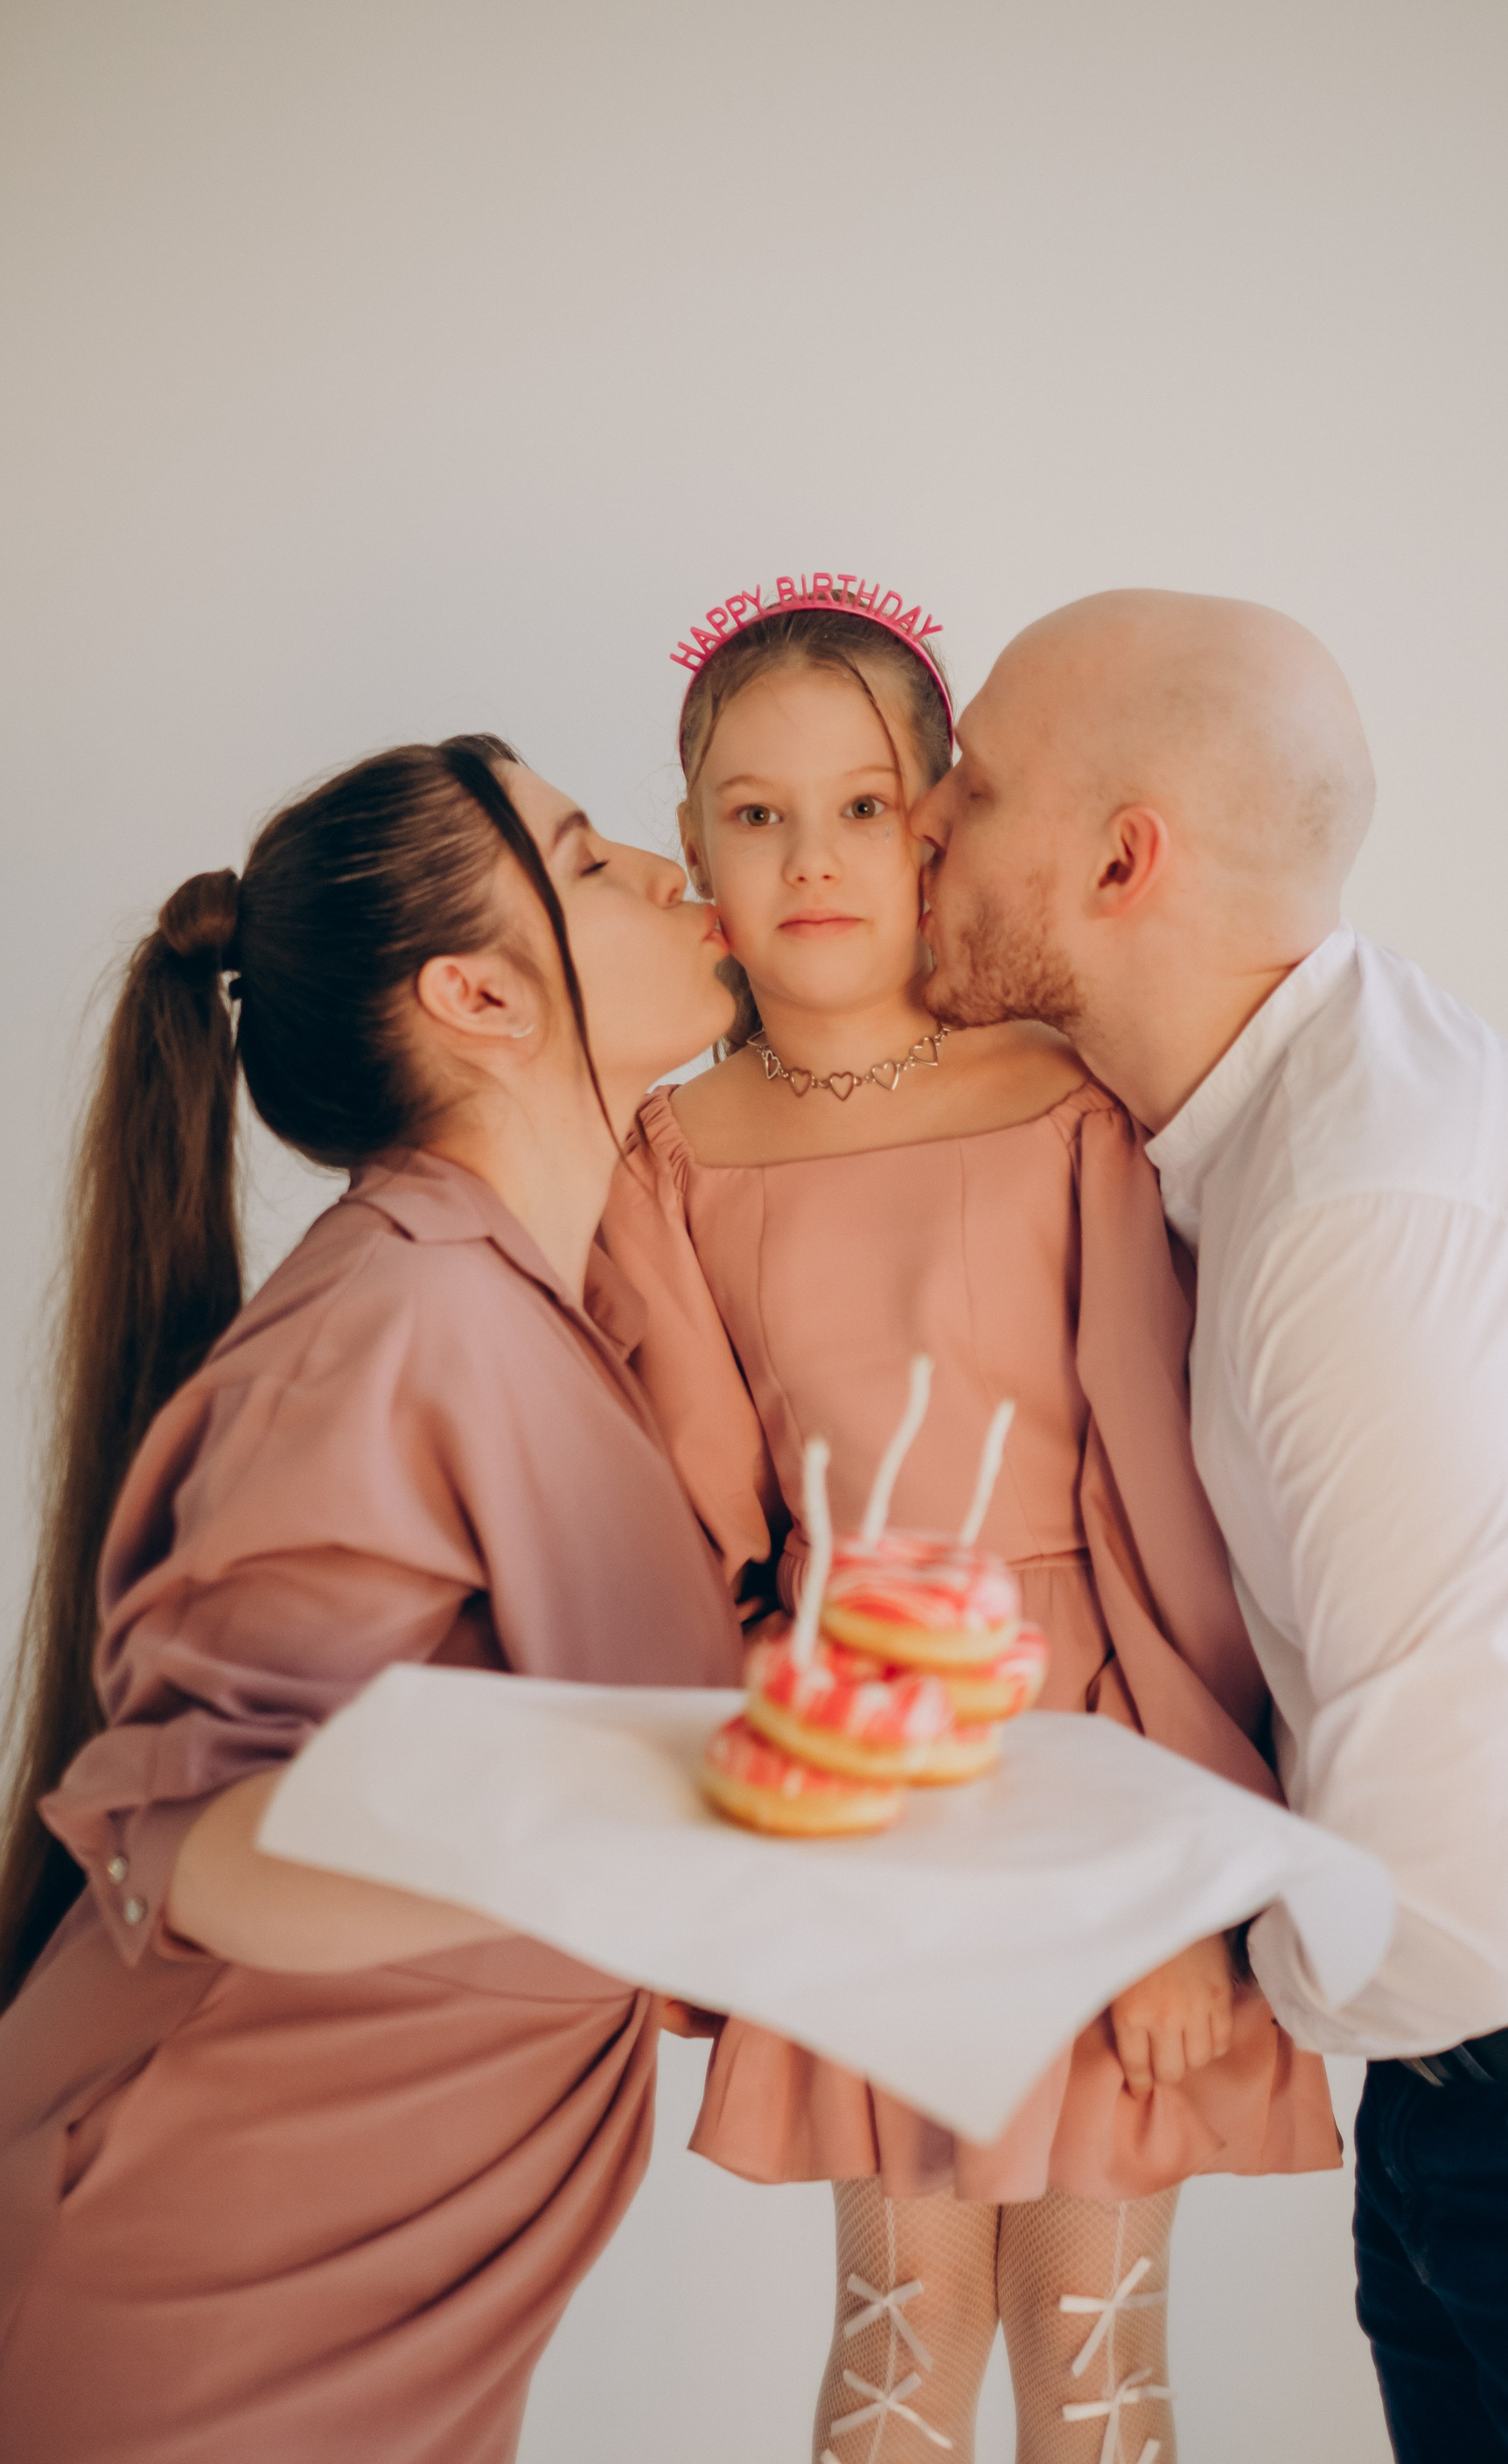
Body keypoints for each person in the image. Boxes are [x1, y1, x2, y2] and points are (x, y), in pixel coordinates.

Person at [911, 587, 1508, 2463]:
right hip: (1501, 2109)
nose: (916, 821)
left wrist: (1173, 1944)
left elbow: (1453, 1919)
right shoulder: (1264, 1128)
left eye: (970, 786)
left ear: (1123, 861)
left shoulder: (1364, 1218)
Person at [600, 580, 1339, 2464]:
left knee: (1089, 2340)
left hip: (1093, 1760)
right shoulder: (674, 1156)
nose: (813, 858)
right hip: (865, 1780)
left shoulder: (1065, 1105)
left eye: (863, 807)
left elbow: (1163, 1515)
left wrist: (1186, 1893)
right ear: (694, 843)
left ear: (934, 828)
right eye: (757, 814)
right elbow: (692, 1542)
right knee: (901, 2323)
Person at [0, 735, 744, 2463]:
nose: (667, 870)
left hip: (400, 2273)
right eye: (586, 858)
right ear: (480, 995)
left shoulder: (545, 1307)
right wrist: (610, 1813)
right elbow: (183, 1839)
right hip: (207, 2294)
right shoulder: (392, 1324)